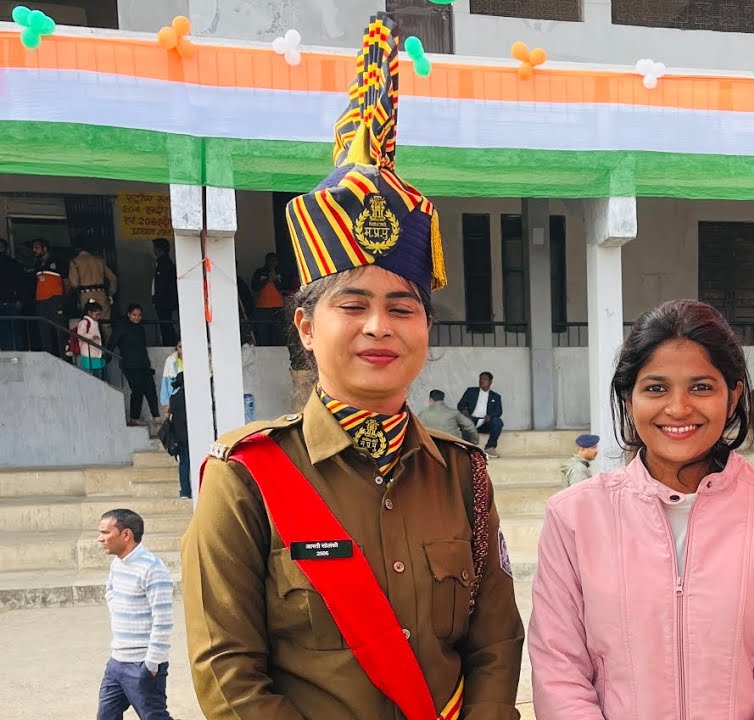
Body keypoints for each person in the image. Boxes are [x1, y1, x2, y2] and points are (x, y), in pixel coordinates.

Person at [180, 15, 523, 719]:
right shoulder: (247, 479)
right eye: (353, 304)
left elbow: (495, 642)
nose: (379, 326)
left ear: (425, 328)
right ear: (306, 325)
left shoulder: (465, 477)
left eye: (403, 305)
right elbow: (227, 674)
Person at [529, 298, 754, 718]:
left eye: (701, 387)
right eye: (656, 388)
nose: (678, 408)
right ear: (628, 397)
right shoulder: (574, 518)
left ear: (732, 397)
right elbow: (559, 671)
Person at [97, 508, 174, 720]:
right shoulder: (117, 564)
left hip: (142, 665)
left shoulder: (153, 569)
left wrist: (151, 664)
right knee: (106, 716)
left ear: (126, 534)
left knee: (154, 717)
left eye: (105, 533)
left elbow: (164, 621)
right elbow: (109, 591)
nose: (100, 539)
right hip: (116, 662)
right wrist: (119, 613)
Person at [109, 304, 161, 427]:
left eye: (139, 315)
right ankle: (134, 418)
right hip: (129, 365)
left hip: (143, 364)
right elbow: (112, 343)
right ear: (128, 314)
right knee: (137, 390)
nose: (137, 318)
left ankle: (156, 416)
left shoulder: (140, 328)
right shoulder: (121, 327)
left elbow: (142, 347)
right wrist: (106, 356)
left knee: (150, 389)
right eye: (134, 315)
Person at [69, 244, 118, 332]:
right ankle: (109, 345)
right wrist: (111, 292)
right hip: (101, 293)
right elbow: (113, 278)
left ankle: (92, 345)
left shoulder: (75, 261)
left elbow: (74, 283)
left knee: (88, 323)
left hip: (85, 294)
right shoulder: (99, 260)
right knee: (106, 324)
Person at [30, 238, 66, 355]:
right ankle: (48, 355)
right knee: (43, 330)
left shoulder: (57, 262)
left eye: (37, 248)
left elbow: (67, 282)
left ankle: (63, 357)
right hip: (41, 301)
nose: (34, 250)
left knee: (59, 330)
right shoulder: (37, 264)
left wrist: (63, 299)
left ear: (45, 248)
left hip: (55, 299)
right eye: (33, 248)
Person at [458, 371, 505, 458]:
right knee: (466, 420)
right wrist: (464, 410)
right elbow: (460, 404)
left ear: (490, 382)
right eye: (480, 379)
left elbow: (498, 411)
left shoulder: (496, 396)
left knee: (498, 422)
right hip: (471, 420)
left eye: (485, 379)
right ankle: (467, 447)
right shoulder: (471, 391)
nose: (482, 381)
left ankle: (490, 448)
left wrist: (490, 416)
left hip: (485, 422)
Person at [250, 252, 287, 346]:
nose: (272, 263)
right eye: (270, 260)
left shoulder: (281, 273)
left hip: (278, 307)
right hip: (262, 308)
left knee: (278, 334)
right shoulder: (259, 272)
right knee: (263, 334)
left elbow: (285, 288)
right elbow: (255, 287)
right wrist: (267, 279)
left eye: (274, 261)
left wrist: (275, 280)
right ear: (266, 261)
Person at [167, 372, 191, 499]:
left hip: (181, 436)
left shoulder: (174, 398)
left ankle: (185, 491)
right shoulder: (195, 396)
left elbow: (171, 418)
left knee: (184, 464)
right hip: (194, 434)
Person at [152, 238, 179, 347]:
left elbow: (162, 285)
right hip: (165, 300)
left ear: (159, 249)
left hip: (164, 301)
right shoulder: (162, 262)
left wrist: (157, 300)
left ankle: (170, 343)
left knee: (165, 323)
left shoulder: (164, 263)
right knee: (165, 324)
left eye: (155, 248)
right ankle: (170, 341)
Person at [75, 300, 107, 380]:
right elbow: (80, 335)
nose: (98, 317)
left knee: (99, 377)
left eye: (99, 314)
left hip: (97, 354)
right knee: (91, 377)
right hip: (88, 354)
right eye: (97, 314)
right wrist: (91, 337)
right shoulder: (84, 322)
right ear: (89, 312)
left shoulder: (95, 323)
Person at [159, 341, 183, 415]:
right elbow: (165, 382)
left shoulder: (195, 361)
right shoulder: (170, 360)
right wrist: (165, 402)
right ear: (176, 347)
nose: (182, 349)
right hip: (174, 399)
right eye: (180, 347)